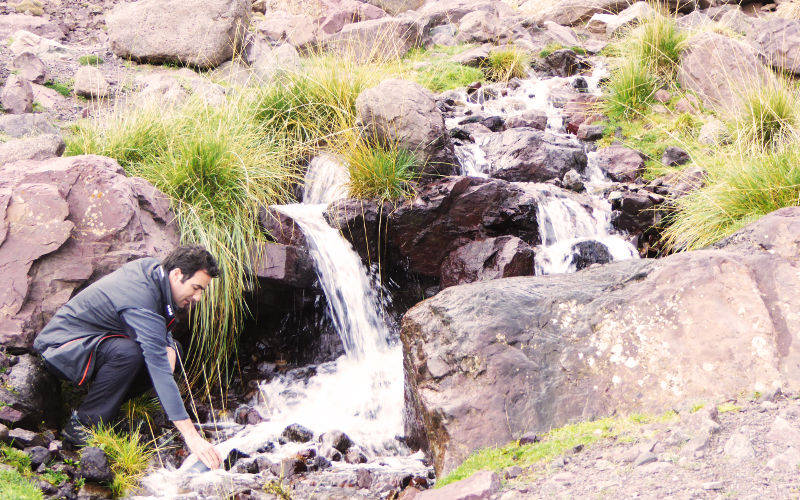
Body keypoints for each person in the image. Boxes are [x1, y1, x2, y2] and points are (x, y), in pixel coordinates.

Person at [33, 245, 222, 470]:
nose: (199, 297)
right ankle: (82, 426)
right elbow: (159, 368)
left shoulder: (154, 271)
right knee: (131, 354)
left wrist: (168, 343)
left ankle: (104, 408)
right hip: (61, 347)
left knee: (173, 350)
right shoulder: (140, 293)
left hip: (94, 341)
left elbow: (158, 326)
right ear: (177, 274)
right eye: (196, 288)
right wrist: (192, 437)